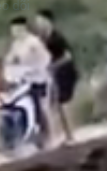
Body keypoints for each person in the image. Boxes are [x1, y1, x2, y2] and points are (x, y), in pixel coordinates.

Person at [4, 15, 52, 146]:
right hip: (23, 80)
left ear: (23, 28)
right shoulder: (16, 44)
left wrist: (35, 69)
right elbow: (10, 59)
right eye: (12, 30)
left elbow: (46, 58)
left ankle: (45, 135)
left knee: (38, 106)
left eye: (16, 29)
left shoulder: (33, 42)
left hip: (37, 79)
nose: (14, 32)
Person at [34, 9, 79, 143]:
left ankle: (70, 136)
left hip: (66, 72)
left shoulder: (57, 37)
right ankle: (52, 135)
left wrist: (52, 66)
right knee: (51, 104)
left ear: (48, 22)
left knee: (63, 104)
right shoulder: (41, 38)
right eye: (37, 22)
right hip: (54, 74)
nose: (38, 24)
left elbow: (68, 56)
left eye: (40, 21)